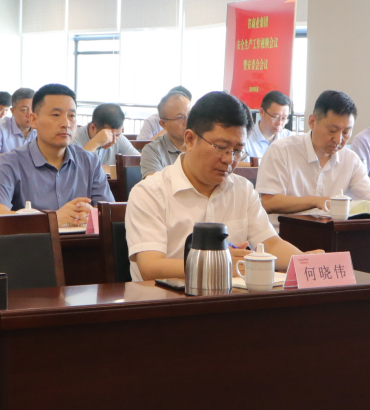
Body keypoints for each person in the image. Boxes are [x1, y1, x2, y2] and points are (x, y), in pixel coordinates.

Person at [126, 90, 317, 283]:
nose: (229, 160)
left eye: (237, 151)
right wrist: (219, 262)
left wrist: (306, 262)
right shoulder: (150, 193)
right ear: (190, 139)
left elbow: (270, 243)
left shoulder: (242, 189)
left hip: (230, 297)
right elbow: (150, 267)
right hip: (166, 299)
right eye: (220, 147)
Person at [256, 90, 370, 230]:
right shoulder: (281, 150)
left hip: (330, 237)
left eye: (346, 132)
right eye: (332, 131)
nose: (338, 139)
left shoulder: (350, 159)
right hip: (283, 237)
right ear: (312, 122)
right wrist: (316, 201)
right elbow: (269, 202)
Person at [0, 84, 113, 228]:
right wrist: (53, 219)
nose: (66, 123)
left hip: (82, 241)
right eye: (56, 115)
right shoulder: (8, 163)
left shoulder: (90, 161)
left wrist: (91, 214)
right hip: (33, 242)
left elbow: (110, 214)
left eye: (71, 116)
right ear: (34, 120)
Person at [140, 90, 191, 177]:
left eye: (190, 115)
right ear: (163, 124)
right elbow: (154, 184)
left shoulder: (202, 144)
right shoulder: (152, 151)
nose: (187, 121)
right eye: (180, 117)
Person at [0, 87, 35, 162]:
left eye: (33, 109)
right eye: (24, 110)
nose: (30, 114)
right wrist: (20, 157)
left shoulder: (42, 128)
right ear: (13, 111)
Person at [75, 102, 138, 167]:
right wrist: (95, 142)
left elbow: (140, 161)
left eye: (117, 135)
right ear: (93, 128)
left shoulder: (118, 138)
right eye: (108, 135)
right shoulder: (74, 138)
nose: (114, 141)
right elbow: (73, 168)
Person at [245, 90, 293, 159]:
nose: (279, 123)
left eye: (284, 118)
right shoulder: (246, 138)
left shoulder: (289, 138)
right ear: (262, 112)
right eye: (275, 117)